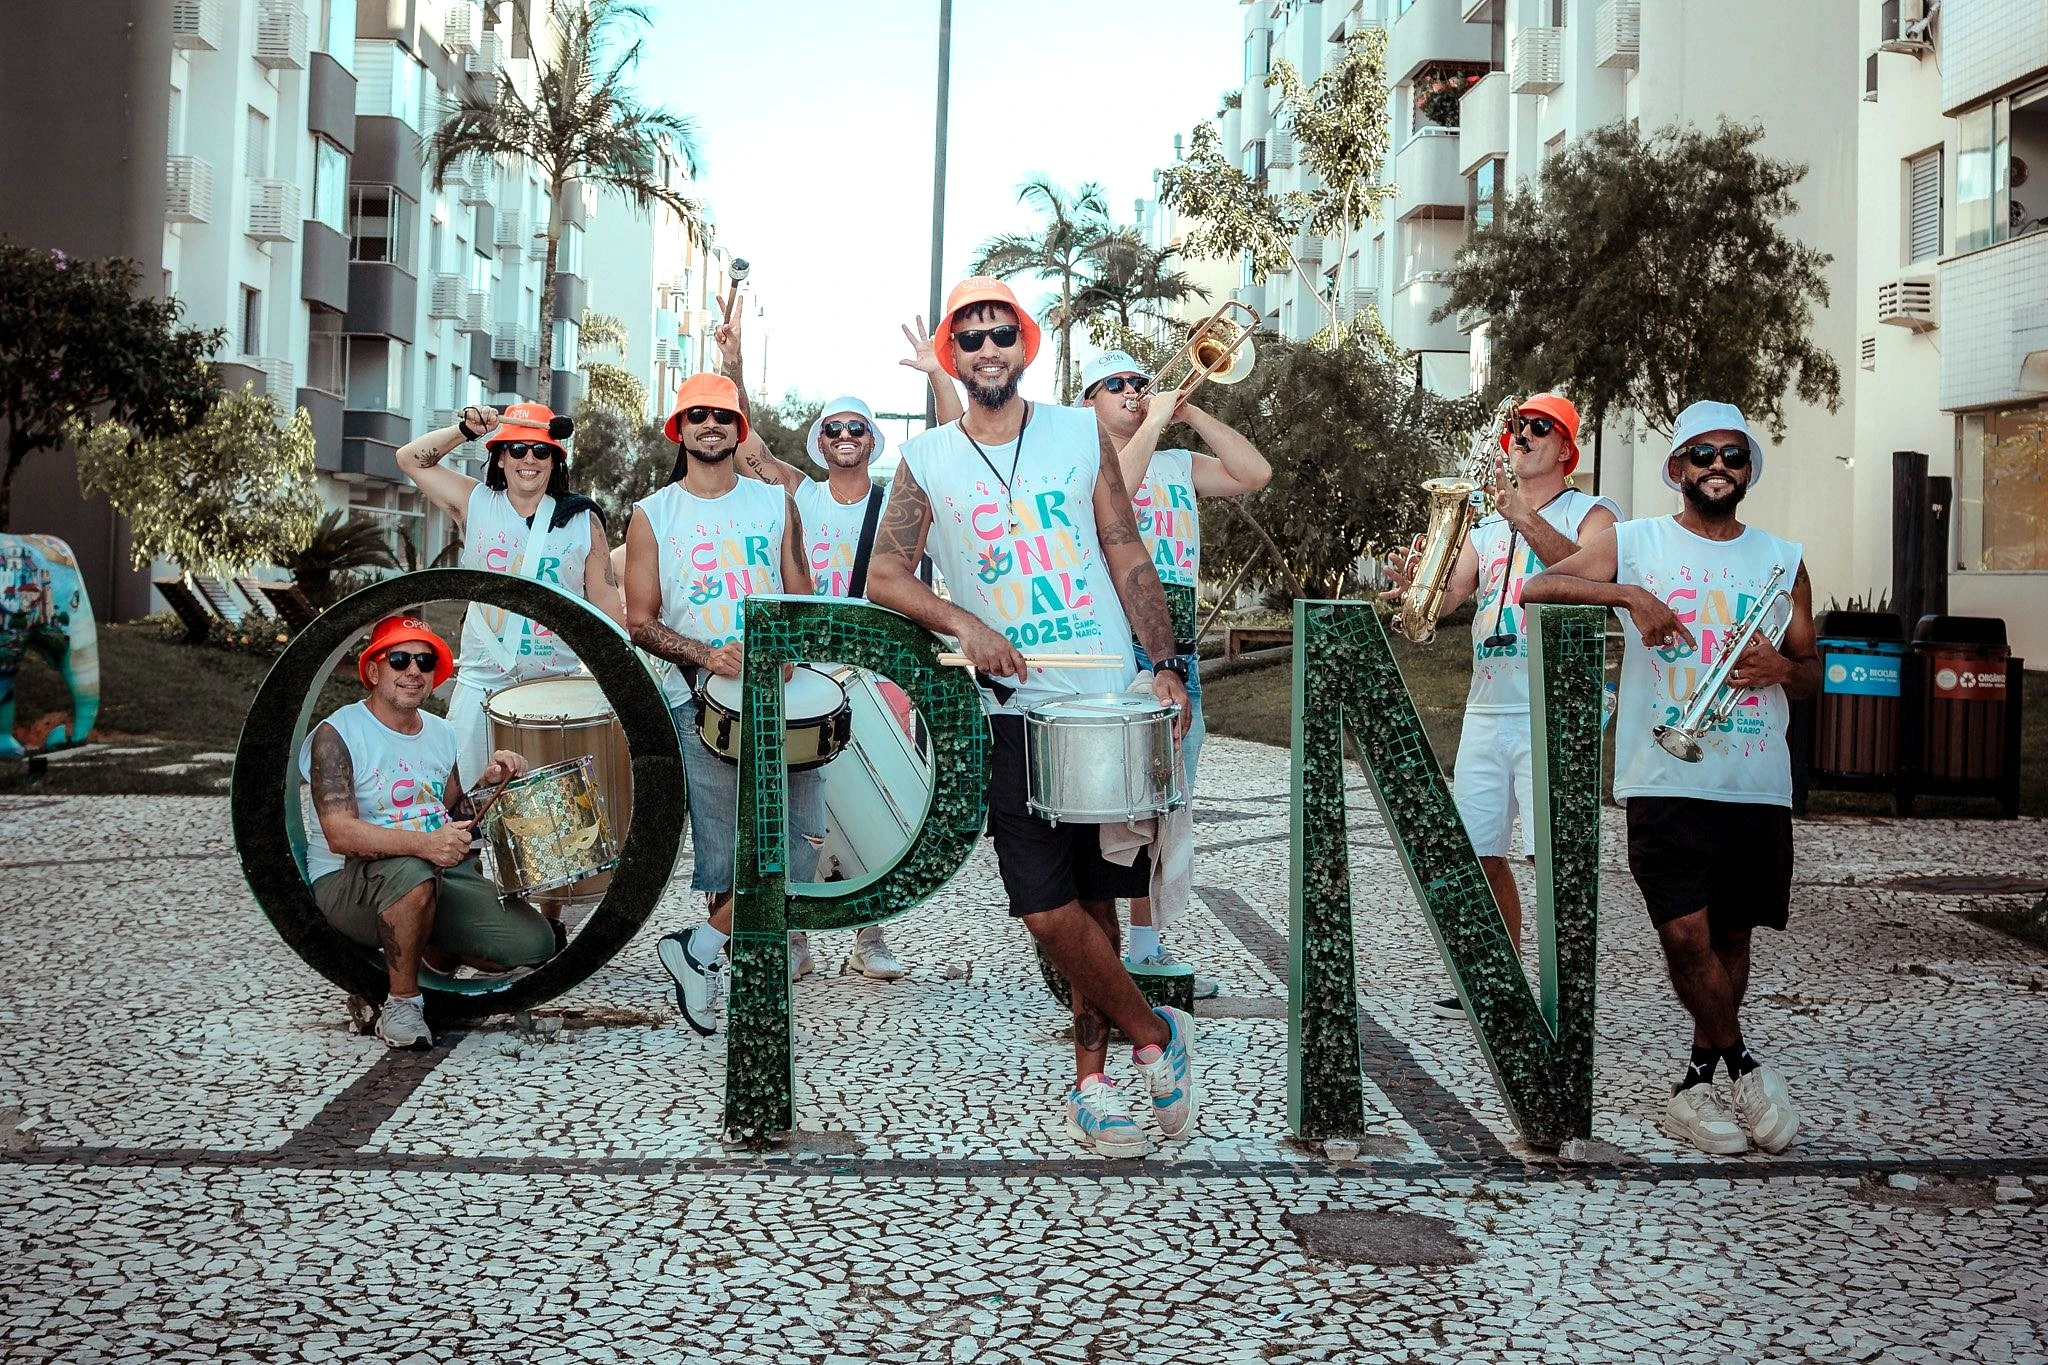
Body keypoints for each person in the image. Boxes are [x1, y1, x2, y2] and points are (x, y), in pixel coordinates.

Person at [866, 276, 1198, 1159]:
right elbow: (885, 577)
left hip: (1102, 699)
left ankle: (1093, 1087)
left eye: (999, 334)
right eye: (968, 339)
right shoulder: (927, 458)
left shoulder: (1076, 432)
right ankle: (1154, 1031)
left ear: (1025, 345)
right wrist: (967, 624)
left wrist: (1164, 665)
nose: (985, 350)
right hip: (1011, 711)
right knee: (1047, 914)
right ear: (952, 355)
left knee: (1094, 903)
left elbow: (1125, 547)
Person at [1522, 399, 1818, 1157]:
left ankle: (1695, 1082)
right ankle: (1745, 1064)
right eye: (1704, 454)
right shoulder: (1636, 543)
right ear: (1677, 467)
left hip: (1754, 779)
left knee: (1732, 939)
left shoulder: (1784, 558)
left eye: (1734, 456)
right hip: (1665, 773)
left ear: (1748, 469)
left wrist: (1783, 667)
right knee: (1684, 935)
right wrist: (1628, 592)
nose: (1719, 467)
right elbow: (1541, 588)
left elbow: (1813, 671)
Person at [709, 313, 967, 982]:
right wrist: (733, 365)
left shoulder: (899, 504)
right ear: (820, 442)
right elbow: (749, 449)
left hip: (878, 674)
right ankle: (795, 934)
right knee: (803, 809)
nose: (845, 437)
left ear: (874, 441)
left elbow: (950, 445)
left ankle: (869, 937)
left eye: (856, 428)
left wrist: (940, 372)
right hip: (806, 675)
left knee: (882, 809)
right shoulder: (800, 495)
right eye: (833, 429)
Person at [1380, 393, 1618, 1017]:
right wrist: (1417, 583)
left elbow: (1591, 573)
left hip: (1552, 706)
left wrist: (1520, 516)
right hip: (1488, 706)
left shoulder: (1595, 513)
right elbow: (1455, 594)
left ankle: (1562, 989)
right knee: (1481, 847)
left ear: (1568, 449)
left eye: (1540, 428)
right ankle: (1500, 976)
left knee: (1551, 855)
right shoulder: (1486, 523)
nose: (1523, 435)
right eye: (1516, 426)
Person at [625, 370, 825, 1036]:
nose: (710, 425)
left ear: (739, 430)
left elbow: (803, 591)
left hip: (783, 698)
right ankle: (726, 981)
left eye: (722, 416)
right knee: (724, 855)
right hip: (699, 696)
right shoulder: (654, 513)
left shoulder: (774, 504)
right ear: (678, 429)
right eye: (697, 416)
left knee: (797, 847)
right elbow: (640, 620)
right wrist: (707, 654)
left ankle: (699, 949)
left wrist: (791, 646)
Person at [1081, 349, 1273, 999]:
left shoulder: (1177, 463)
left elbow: (1255, 472)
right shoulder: (1088, 463)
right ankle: (1122, 947)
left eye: (1141, 383)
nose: (1134, 392)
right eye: (1117, 384)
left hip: (1180, 652)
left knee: (1168, 808)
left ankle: (1145, 944)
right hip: (1128, 648)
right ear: (1089, 403)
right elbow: (1116, 495)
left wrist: (1191, 411)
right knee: (1126, 808)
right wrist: (1157, 421)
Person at [301, 613, 553, 1050]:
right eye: (399, 659)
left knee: (534, 943)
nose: (413, 671)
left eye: (424, 661)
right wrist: (425, 846)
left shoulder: (440, 733)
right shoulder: (337, 733)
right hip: (350, 881)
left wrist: (491, 784)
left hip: (427, 875)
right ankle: (401, 1003)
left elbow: (449, 810)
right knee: (413, 874)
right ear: (374, 670)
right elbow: (340, 833)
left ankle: (427, 955)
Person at [396, 400, 625, 794]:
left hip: (554, 690)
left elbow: (607, 609)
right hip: (480, 683)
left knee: (555, 825)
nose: (529, 459)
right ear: (500, 458)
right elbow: (410, 460)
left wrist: (626, 685)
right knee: (460, 808)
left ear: (554, 460)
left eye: (540, 450)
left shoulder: (583, 522)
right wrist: (466, 431)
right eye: (516, 449)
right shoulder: (475, 503)